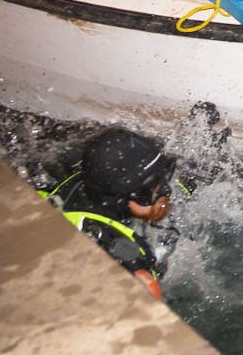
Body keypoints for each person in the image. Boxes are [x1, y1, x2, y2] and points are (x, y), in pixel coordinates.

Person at [40, 127, 177, 299]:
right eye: (151, 192)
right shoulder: (122, 252)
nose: (165, 193)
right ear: (126, 200)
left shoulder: (76, 179)